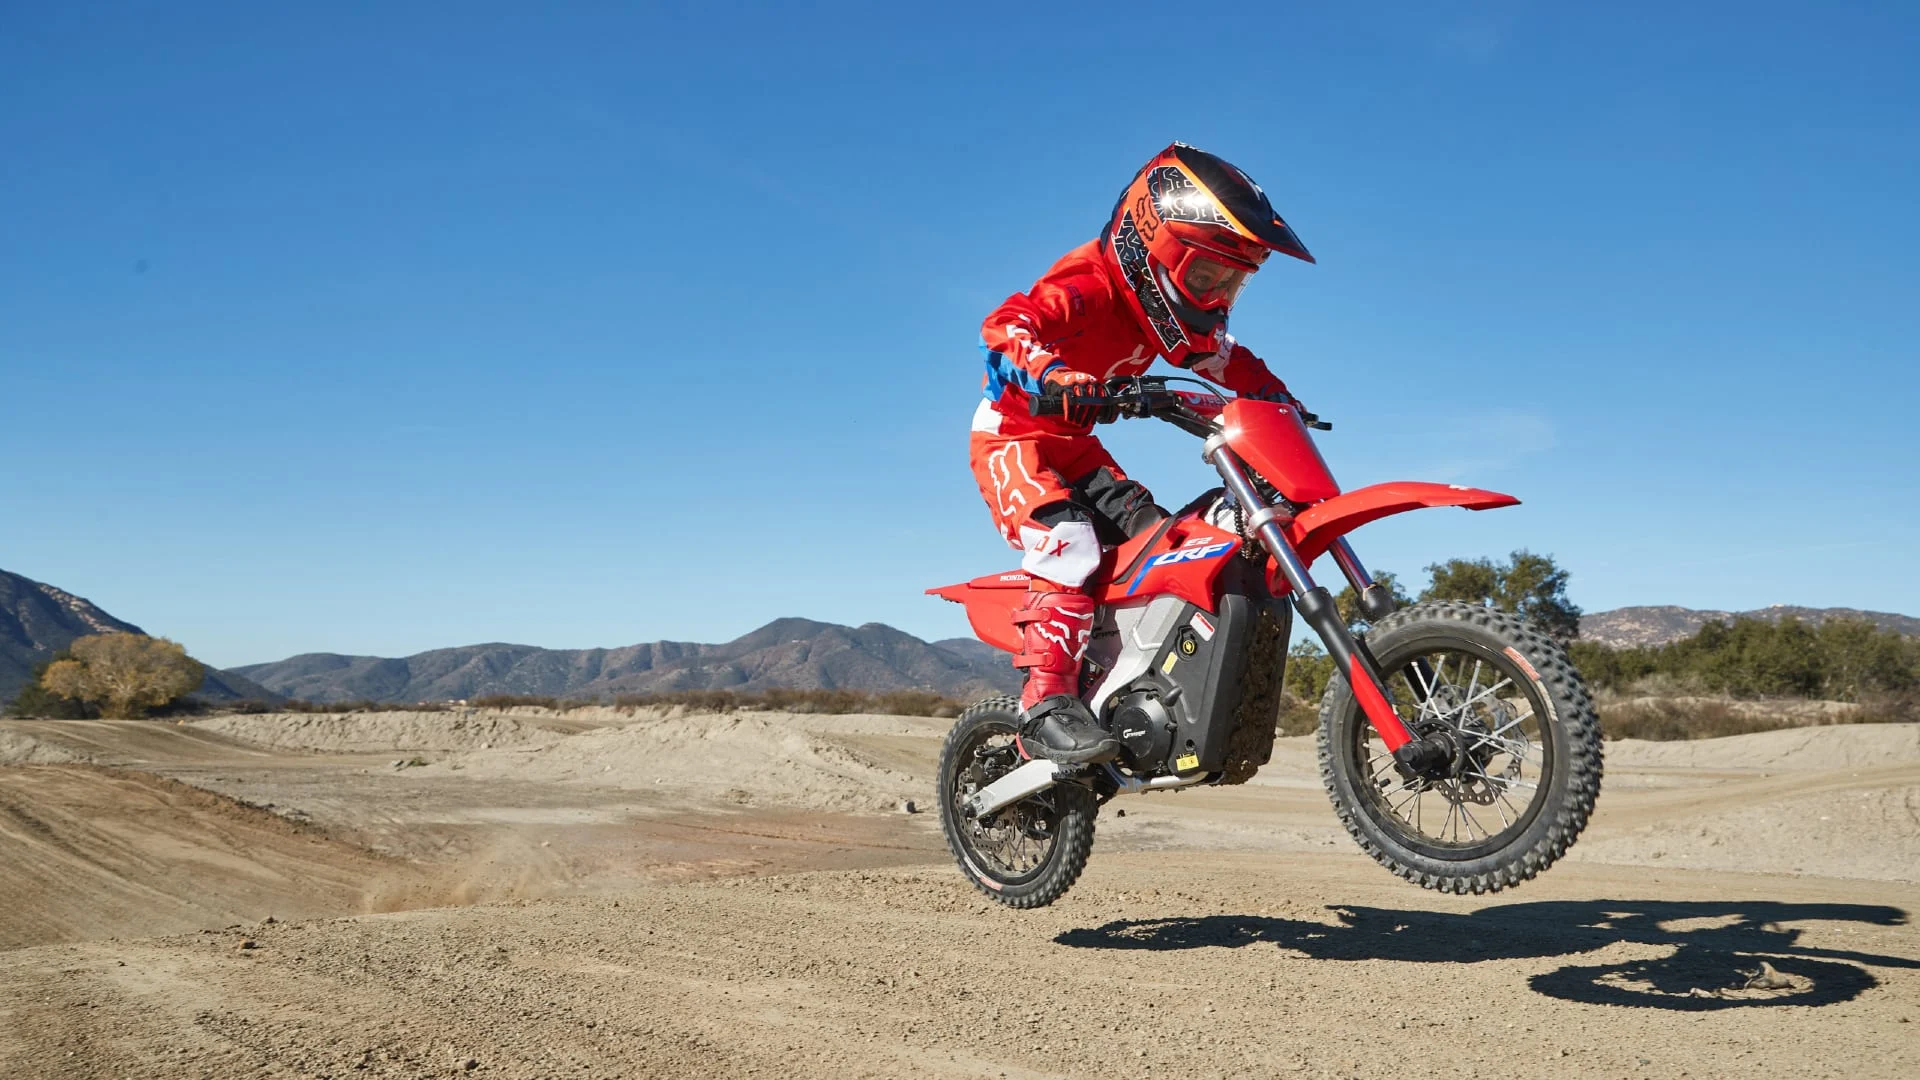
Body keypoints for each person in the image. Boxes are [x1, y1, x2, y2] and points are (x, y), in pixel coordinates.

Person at [969, 142, 1315, 765]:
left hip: (1077, 446)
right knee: (1069, 542)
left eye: (1232, 282)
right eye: (1207, 276)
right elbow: (1006, 326)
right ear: (1151, 244)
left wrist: (1280, 402)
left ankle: (1118, 685)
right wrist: (1051, 374)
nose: (1216, 295)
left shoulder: (1169, 322)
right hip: (1013, 440)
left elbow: (1227, 361)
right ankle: (1043, 706)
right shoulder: (1087, 285)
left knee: (1163, 546)